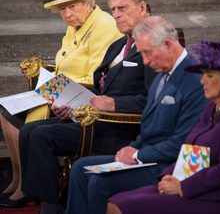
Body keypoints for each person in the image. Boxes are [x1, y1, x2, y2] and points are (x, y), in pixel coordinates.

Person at [13, 0, 156, 212]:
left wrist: (114, 103)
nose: (116, 14)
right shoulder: (120, 44)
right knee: (29, 131)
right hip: (95, 116)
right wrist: (70, 103)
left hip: (118, 127)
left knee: (41, 136)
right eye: (113, 9)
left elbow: (154, 98)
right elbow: (102, 85)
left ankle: (51, 209)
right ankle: (49, 200)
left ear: (142, 7)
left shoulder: (153, 45)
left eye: (122, 8)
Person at [0, 0, 122, 207]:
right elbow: (67, 61)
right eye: (62, 9)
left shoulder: (104, 25)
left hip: (80, 96)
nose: (66, 14)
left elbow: (96, 75)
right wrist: (49, 78)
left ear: (88, 3)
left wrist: (55, 88)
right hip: (60, 89)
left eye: (72, 6)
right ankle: (18, 179)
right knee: (4, 110)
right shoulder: (77, 23)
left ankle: (27, 186)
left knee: (19, 121)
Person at [65, 16, 207, 214]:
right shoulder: (160, 77)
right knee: (80, 169)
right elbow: (148, 129)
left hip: (170, 166)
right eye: (142, 54)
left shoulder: (195, 81)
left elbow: (184, 143)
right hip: (147, 157)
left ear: (168, 44)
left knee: (99, 181)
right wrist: (130, 149)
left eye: (148, 53)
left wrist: (137, 155)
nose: (146, 61)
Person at [107, 41, 220, 214]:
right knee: (116, 201)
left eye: (209, 76)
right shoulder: (212, 107)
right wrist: (169, 176)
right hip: (187, 184)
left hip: (213, 198)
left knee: (123, 206)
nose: (202, 81)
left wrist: (182, 186)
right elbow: (189, 150)